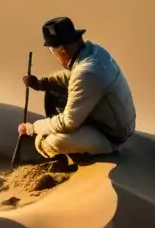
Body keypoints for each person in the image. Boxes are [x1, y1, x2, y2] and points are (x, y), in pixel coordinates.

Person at [17, 17, 136, 160]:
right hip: (113, 123)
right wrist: (41, 83)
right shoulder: (94, 52)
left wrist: (33, 128)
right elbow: (72, 76)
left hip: (111, 136)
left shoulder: (86, 72)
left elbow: (68, 123)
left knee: (48, 142)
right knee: (53, 93)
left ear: (61, 50)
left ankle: (81, 157)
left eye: (52, 52)